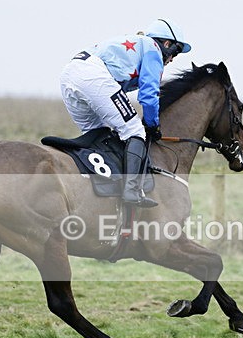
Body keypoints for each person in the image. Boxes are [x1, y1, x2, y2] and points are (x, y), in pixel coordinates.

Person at [60, 19, 191, 207]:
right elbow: (149, 94)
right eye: (175, 53)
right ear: (167, 44)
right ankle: (132, 190)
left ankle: (95, 184)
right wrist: (152, 124)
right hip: (92, 74)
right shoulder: (153, 48)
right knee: (135, 130)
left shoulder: (138, 45)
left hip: (68, 76)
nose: (171, 60)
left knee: (98, 133)